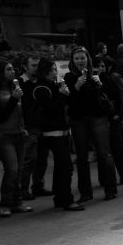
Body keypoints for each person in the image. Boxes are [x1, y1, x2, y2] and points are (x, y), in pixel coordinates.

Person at [65, 46, 117, 202]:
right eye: (77, 58)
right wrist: (76, 86)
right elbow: (68, 100)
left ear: (87, 58)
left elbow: (110, 95)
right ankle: (85, 192)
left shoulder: (96, 74)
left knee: (104, 153)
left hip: (98, 117)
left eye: (82, 58)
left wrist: (100, 84)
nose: (80, 61)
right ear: (73, 61)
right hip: (78, 119)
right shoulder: (69, 77)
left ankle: (110, 189)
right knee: (81, 156)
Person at [32, 59, 84, 211]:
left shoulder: (53, 85)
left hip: (60, 131)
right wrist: (62, 95)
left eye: (55, 69)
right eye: (53, 69)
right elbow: (50, 109)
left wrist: (65, 93)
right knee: (66, 166)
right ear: (46, 71)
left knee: (62, 166)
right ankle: (67, 200)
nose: (56, 72)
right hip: (51, 132)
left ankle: (59, 198)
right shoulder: (41, 88)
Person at [0, 60, 31, 217]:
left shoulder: (15, 87)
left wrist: (24, 128)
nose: (12, 72)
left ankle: (17, 202)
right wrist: (14, 99)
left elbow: (20, 111)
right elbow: (0, 117)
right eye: (8, 69)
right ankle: (4, 202)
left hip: (19, 133)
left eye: (13, 69)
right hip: (4, 135)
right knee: (12, 169)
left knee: (19, 170)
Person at [95, 55, 123, 187]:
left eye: (102, 66)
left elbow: (119, 98)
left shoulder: (111, 79)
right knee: (102, 152)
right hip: (99, 120)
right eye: (98, 66)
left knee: (118, 149)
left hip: (113, 118)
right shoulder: (89, 81)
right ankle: (104, 179)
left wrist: (119, 114)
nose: (101, 69)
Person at [16, 55, 44, 201]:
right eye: (33, 65)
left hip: (42, 124)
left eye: (38, 65)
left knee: (41, 158)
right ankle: (24, 189)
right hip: (29, 126)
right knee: (29, 159)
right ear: (25, 67)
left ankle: (38, 186)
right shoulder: (20, 83)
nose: (36, 68)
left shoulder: (41, 81)